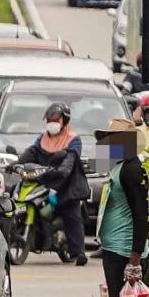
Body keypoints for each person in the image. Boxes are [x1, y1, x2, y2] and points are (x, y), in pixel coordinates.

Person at [92, 119, 149, 297]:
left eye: (114, 139)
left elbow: (141, 215)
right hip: (114, 249)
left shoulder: (133, 170)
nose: (109, 144)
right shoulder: (120, 167)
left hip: (126, 252)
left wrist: (134, 258)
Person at [16, 102, 90, 266]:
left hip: (66, 183)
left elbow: (71, 158)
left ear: (64, 121)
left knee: (71, 214)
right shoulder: (42, 138)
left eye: (56, 120)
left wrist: (63, 169)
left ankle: (79, 252)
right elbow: (31, 152)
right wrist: (17, 164)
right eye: (50, 120)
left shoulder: (73, 139)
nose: (52, 124)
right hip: (44, 179)